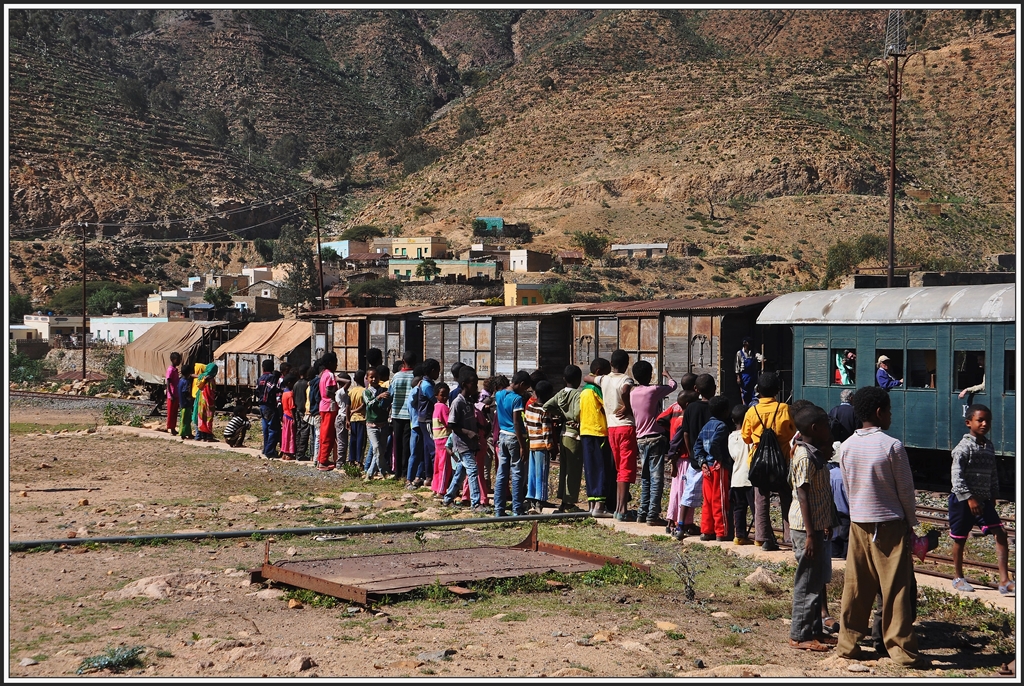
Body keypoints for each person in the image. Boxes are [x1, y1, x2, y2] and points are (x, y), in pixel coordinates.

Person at [836, 386, 923, 667]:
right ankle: (900, 649)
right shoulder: (892, 446)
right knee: (895, 588)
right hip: (889, 525)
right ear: (879, 412)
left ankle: (847, 643)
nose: (890, 415)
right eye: (889, 410)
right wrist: (912, 523)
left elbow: (848, 487)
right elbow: (905, 491)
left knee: (856, 585)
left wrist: (858, 512)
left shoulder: (847, 446)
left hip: (859, 523)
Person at [788, 404, 840, 652]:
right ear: (815, 428)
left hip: (816, 527)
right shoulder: (804, 456)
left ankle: (816, 631)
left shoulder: (814, 453)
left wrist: (825, 523)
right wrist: (810, 534)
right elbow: (804, 496)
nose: (829, 431)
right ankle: (799, 635)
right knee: (807, 582)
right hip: (804, 529)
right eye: (826, 426)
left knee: (817, 581)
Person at [949, 404, 1014, 596]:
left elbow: (993, 472)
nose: (985, 424)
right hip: (963, 501)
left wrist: (993, 494)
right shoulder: (963, 447)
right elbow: (956, 476)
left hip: (984, 500)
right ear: (969, 423)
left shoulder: (989, 446)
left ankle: (1004, 581)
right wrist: (969, 498)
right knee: (959, 539)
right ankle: (958, 577)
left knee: (1000, 533)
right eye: (980, 420)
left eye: (988, 420)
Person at [741, 371, 796, 551]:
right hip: (783, 462)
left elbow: (746, 438)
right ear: (777, 390)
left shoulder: (751, 411)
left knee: (761, 499)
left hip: (759, 463)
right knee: (787, 497)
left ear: (758, 391)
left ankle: (763, 538)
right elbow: (792, 433)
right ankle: (790, 537)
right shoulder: (784, 409)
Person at [585, 349, 639, 521]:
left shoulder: (604, 379)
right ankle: (622, 510)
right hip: (625, 427)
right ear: (626, 365)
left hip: (611, 429)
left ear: (611, 364)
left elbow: (587, 378)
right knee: (626, 468)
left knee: (618, 467)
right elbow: (625, 390)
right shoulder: (626, 379)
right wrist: (628, 406)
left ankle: (617, 507)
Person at [669, 373, 718, 536]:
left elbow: (685, 433)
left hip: (696, 460)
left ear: (696, 389)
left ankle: (680, 525)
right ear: (715, 389)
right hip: (713, 460)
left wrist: (692, 454)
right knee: (712, 495)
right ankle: (711, 528)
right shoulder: (715, 407)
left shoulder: (691, 408)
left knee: (688, 492)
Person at [629, 361, 676, 526]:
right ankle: (652, 515)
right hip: (656, 438)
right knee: (657, 478)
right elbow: (673, 386)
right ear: (650, 375)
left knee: (646, 477)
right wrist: (667, 376)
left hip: (640, 439)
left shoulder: (633, 393)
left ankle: (642, 513)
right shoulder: (653, 390)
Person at [444, 366, 486, 513]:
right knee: (473, 470)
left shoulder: (469, 402)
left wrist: (480, 426)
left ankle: (448, 498)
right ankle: (476, 503)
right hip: (462, 443)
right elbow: (451, 425)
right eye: (473, 384)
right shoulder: (458, 402)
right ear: (464, 385)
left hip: (470, 443)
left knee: (461, 472)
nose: (475, 386)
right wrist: (468, 432)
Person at [543, 365, 584, 512]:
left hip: (563, 434)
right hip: (574, 436)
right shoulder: (578, 395)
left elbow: (546, 406)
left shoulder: (561, 393)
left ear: (564, 379)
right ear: (579, 379)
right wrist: (573, 418)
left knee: (565, 469)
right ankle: (569, 503)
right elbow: (577, 413)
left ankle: (563, 500)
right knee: (574, 470)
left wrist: (560, 413)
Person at [693, 396, 734, 541]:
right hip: (718, 468)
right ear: (725, 411)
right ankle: (721, 532)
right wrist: (720, 458)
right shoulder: (722, 426)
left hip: (707, 469)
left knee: (708, 501)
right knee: (720, 500)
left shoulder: (706, 426)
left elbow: (697, 446)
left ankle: (706, 531)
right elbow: (714, 445)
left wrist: (702, 462)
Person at [494, 370, 532, 517]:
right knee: (517, 474)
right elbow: (516, 422)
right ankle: (517, 508)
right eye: (525, 388)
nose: (524, 392)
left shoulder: (499, 394)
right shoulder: (517, 399)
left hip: (502, 436)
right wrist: (523, 446)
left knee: (501, 474)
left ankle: (499, 509)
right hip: (514, 438)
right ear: (521, 384)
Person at [579, 358, 614, 518]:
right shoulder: (596, 389)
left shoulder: (584, 390)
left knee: (590, 469)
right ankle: (600, 506)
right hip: (598, 432)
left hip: (585, 431)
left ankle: (592, 504)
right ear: (599, 373)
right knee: (601, 469)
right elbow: (608, 406)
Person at [661, 388, 695, 538]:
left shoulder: (677, 417)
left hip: (678, 459)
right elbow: (676, 442)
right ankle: (684, 522)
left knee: (676, 490)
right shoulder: (684, 420)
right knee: (684, 491)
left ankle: (671, 519)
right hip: (684, 459)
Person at [524, 380, 556, 514]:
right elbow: (546, 432)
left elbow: (527, 425)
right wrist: (551, 448)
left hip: (532, 445)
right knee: (541, 474)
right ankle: (539, 504)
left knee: (532, 474)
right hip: (542, 447)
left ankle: (530, 500)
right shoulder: (545, 412)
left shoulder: (530, 408)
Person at [390, 351, 418, 486]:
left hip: (397, 414)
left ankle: (397, 472)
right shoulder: (416, 377)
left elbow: (390, 393)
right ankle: (406, 471)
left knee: (398, 443)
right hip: (410, 415)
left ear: (403, 361)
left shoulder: (397, 376)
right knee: (407, 444)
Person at [729, 403, 755, 545]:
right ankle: (761, 537)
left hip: (736, 478)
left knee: (739, 508)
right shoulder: (750, 436)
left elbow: (733, 456)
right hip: (750, 478)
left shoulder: (731, 437)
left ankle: (739, 536)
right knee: (755, 508)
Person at [412, 359, 440, 488]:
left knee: (427, 449)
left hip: (423, 419)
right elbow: (435, 401)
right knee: (433, 449)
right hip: (427, 419)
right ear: (433, 371)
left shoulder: (424, 383)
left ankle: (429, 476)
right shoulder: (427, 386)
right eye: (438, 371)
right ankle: (437, 477)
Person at [363, 365, 391, 480]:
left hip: (383, 424)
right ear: (367, 378)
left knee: (380, 450)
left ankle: (369, 474)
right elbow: (369, 404)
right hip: (372, 425)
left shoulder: (385, 390)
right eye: (371, 377)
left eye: (376, 377)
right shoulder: (366, 392)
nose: (374, 379)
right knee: (376, 447)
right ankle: (384, 472)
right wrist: (379, 397)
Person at [316, 352, 340, 471]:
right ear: (331, 363)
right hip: (329, 407)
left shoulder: (323, 374)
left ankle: (321, 458)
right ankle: (323, 461)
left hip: (323, 406)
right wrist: (339, 393)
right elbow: (330, 391)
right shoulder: (330, 375)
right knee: (328, 435)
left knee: (323, 434)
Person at [256, 360, 281, 459]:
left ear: (263, 368)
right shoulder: (272, 378)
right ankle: (270, 451)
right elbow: (272, 389)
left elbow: (257, 391)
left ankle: (266, 449)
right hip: (269, 406)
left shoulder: (260, 378)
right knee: (274, 429)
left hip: (262, 406)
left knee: (266, 428)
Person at [430, 383, 452, 493]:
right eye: (442, 395)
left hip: (437, 440)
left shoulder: (436, 407)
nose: (445, 397)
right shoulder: (443, 407)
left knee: (438, 465)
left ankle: (435, 487)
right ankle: (441, 489)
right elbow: (448, 423)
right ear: (436, 395)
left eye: (447, 395)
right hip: (444, 440)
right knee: (444, 467)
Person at [194, 362, 218, 442]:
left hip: (202, 401)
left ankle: (203, 436)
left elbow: (199, 386)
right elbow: (212, 391)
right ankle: (207, 436)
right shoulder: (208, 379)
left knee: (202, 417)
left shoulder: (202, 376)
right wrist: (205, 379)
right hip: (207, 402)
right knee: (208, 418)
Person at [735, 337, 763, 405]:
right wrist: (738, 377)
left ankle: (753, 405)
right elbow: (737, 366)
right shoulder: (739, 353)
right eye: (748, 343)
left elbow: (758, 356)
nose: (750, 344)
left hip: (753, 374)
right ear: (745, 344)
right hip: (745, 375)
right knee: (745, 392)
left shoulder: (753, 351)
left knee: (754, 391)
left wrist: (762, 358)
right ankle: (746, 406)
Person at [292, 365, 311, 461]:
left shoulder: (295, 384)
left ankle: (297, 451)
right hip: (304, 411)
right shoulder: (306, 384)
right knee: (304, 431)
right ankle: (301, 453)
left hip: (297, 410)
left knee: (299, 431)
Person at [348, 370, 367, 467]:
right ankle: (359, 461)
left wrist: (348, 418)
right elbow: (364, 405)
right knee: (361, 441)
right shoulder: (364, 391)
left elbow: (348, 405)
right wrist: (355, 410)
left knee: (353, 440)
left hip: (352, 419)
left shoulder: (351, 391)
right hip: (361, 418)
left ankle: (351, 459)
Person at [334, 372, 352, 466]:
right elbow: (348, 381)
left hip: (344, 417)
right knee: (342, 441)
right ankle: (340, 462)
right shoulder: (340, 392)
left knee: (343, 441)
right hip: (342, 417)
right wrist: (337, 379)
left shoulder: (343, 392)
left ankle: (342, 461)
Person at [279, 375, 297, 460]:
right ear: (289, 383)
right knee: (290, 435)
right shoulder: (290, 394)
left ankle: (284, 451)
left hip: (284, 415)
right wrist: (294, 419)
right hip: (290, 417)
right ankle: (289, 453)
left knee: (285, 434)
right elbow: (292, 407)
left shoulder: (284, 393)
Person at [165, 352, 181, 435]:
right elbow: (168, 382)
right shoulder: (170, 370)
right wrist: (170, 394)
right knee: (170, 412)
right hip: (172, 394)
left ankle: (173, 427)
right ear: (173, 360)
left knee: (175, 412)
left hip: (176, 393)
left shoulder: (175, 370)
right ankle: (170, 428)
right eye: (178, 360)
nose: (179, 361)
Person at [177, 368, 194, 441]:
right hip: (186, 403)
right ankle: (183, 434)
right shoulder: (186, 382)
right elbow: (185, 391)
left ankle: (187, 433)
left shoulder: (180, 380)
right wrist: (190, 399)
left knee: (184, 419)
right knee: (186, 419)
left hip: (182, 402)